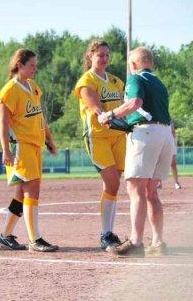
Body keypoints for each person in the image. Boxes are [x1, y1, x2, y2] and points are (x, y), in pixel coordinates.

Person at [98, 46, 173, 257]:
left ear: (133, 65)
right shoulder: (159, 83)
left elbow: (135, 103)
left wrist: (109, 115)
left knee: (136, 190)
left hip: (146, 135)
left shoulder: (135, 78)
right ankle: (158, 242)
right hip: (165, 134)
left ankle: (136, 242)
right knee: (151, 192)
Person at [0, 48, 58, 252]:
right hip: (20, 146)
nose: (35, 69)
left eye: (35, 65)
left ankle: (5, 235)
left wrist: (49, 138)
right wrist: (5, 150)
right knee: (32, 189)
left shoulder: (32, 86)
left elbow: (40, 117)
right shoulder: (9, 91)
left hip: (35, 145)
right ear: (19, 65)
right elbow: (3, 124)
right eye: (31, 65)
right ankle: (35, 239)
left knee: (22, 194)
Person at [74, 39, 125, 251]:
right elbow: (93, 105)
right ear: (90, 57)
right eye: (99, 55)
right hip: (97, 136)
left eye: (106, 55)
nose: (104, 59)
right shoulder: (87, 80)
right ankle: (105, 234)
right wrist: (101, 113)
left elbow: (125, 103)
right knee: (112, 183)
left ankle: (109, 232)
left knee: (114, 186)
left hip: (118, 136)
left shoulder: (115, 80)